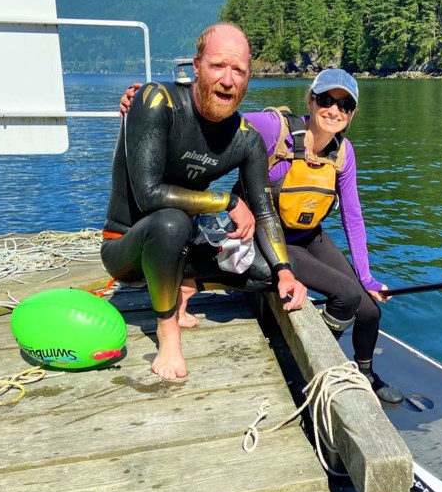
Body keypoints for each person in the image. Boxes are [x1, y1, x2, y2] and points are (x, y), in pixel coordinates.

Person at [120, 69, 403, 404]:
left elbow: (353, 217)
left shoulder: (344, 153)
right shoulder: (275, 129)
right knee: (345, 295)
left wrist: (367, 276)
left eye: (344, 105)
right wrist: (149, 109)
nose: (334, 110)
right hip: (270, 239)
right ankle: (319, 366)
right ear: (310, 100)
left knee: (369, 307)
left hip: (309, 236)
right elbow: (214, 118)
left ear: (352, 114)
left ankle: (366, 372)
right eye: (326, 100)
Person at [101, 22, 307, 382]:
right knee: (172, 221)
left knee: (266, 275)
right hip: (127, 248)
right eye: (217, 66)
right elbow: (149, 195)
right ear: (196, 66)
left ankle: (184, 284)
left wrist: (284, 271)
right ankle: (168, 333)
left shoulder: (247, 140)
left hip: (182, 251)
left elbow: (264, 212)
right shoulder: (155, 101)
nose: (227, 79)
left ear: (248, 79)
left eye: (238, 70)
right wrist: (225, 200)